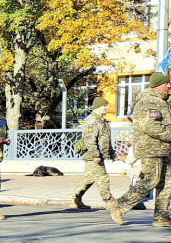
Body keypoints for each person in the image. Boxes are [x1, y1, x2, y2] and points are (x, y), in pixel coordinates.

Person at [108, 72, 171, 226]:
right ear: (158, 86)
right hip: (151, 148)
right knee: (152, 179)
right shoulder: (147, 102)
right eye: (166, 83)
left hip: (164, 148)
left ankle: (161, 216)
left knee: (167, 182)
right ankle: (119, 206)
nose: (169, 86)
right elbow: (150, 126)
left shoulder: (161, 101)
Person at [72, 97, 114, 210]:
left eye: (106, 105)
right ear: (98, 107)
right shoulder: (92, 120)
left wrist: (111, 152)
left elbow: (105, 139)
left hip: (98, 155)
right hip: (94, 156)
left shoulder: (101, 120)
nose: (106, 108)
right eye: (104, 106)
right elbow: (90, 139)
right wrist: (96, 155)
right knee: (103, 178)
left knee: (88, 178)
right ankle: (110, 201)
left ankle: (76, 199)